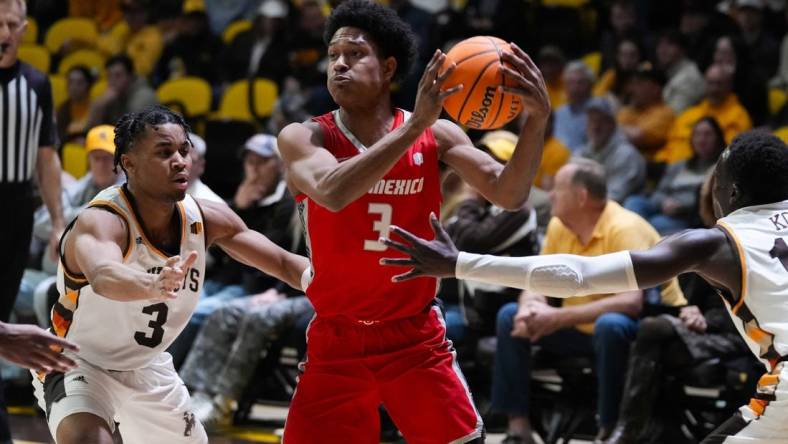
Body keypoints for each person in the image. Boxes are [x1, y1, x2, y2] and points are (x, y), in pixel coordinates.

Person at [382, 130, 788, 444]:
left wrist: (457, 263)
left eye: (716, 181)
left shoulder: (712, 242)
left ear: (731, 192)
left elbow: (579, 275)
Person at [276, 1, 550, 442]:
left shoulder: (437, 135)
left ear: (387, 68)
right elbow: (332, 192)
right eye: (332, 56)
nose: (339, 64)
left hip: (414, 334)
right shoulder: (304, 136)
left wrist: (536, 122)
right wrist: (413, 127)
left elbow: (509, 193)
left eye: (354, 54)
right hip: (337, 337)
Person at [32, 105, 310, 444]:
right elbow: (104, 275)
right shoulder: (102, 221)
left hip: (149, 367)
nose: (179, 161)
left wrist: (331, 283)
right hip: (79, 360)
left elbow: (283, 263)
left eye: (184, 150)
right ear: (128, 163)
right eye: (164, 152)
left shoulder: (206, 217)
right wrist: (150, 282)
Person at [472, 159, 685, 444]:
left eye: (557, 189)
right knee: (510, 314)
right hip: (579, 327)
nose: (550, 195)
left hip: (643, 329)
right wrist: (529, 308)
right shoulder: (561, 225)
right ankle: (518, 427)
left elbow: (631, 302)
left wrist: (556, 318)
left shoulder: (624, 228)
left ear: (581, 196)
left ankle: (609, 429)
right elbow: (536, 280)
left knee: (611, 325)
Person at [0, 0, 66, 441]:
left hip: (15, 211)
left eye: (10, 23)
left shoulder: (36, 83)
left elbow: (46, 157)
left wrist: (59, 221)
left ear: (24, 29)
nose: (3, 31)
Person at [625, 117, 726, 235]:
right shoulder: (678, 166)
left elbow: (710, 203)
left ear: (718, 139)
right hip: (662, 207)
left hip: (688, 218)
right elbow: (658, 193)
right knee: (633, 202)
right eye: (697, 134)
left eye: (708, 134)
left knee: (656, 223)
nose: (701, 139)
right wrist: (664, 202)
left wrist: (681, 207)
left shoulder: (720, 169)